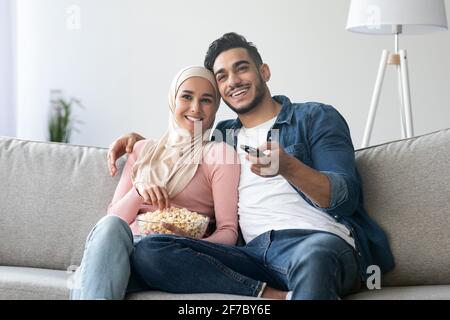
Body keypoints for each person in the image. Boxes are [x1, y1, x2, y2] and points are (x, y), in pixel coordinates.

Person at [108, 33, 395, 300]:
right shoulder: (223, 137)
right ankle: (270, 294)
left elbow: (346, 197)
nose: (233, 80)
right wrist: (139, 142)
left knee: (314, 257)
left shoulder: (315, 117)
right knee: (150, 250)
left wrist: (290, 167)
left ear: (264, 71)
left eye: (241, 68)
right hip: (252, 254)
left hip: (316, 242)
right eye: (222, 77)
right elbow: (180, 141)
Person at [70, 66, 242, 300]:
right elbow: (113, 219)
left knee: (88, 278)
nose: (195, 108)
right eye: (187, 96)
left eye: (206, 100)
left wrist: (191, 244)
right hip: (121, 249)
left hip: (168, 255)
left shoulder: (219, 155)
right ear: (173, 100)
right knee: (109, 229)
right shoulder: (142, 150)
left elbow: (228, 232)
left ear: (216, 108)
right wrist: (140, 191)